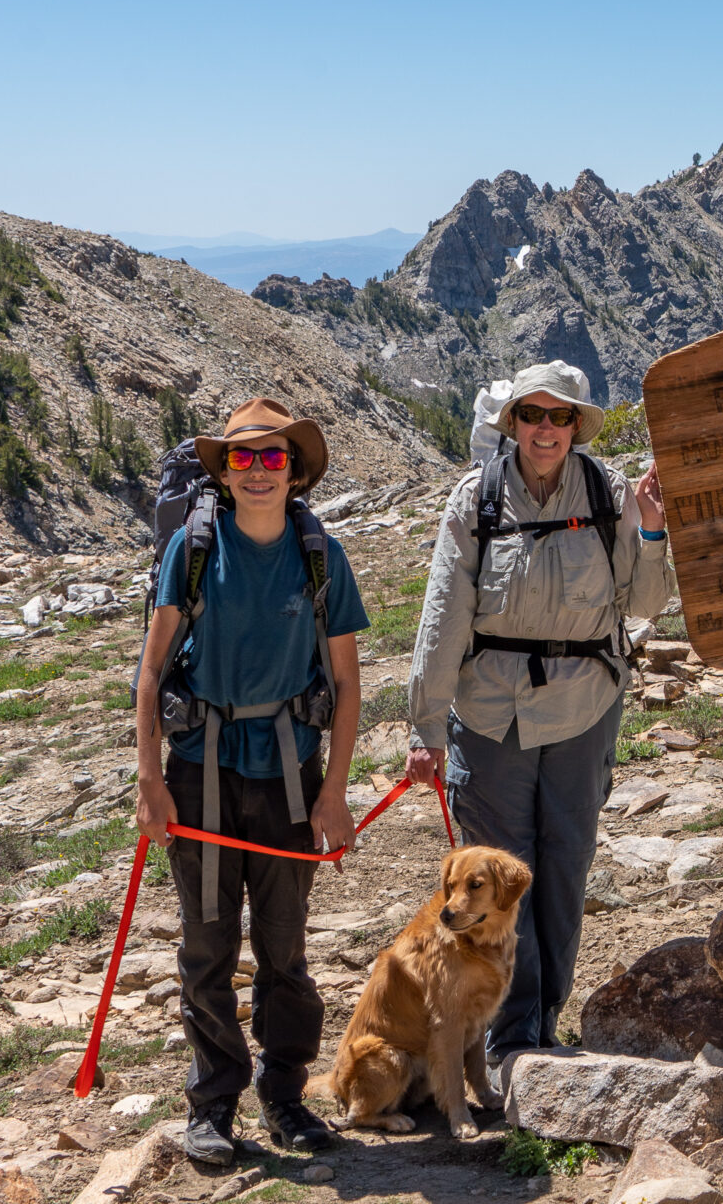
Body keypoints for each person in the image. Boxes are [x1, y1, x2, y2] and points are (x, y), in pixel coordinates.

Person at [406, 360, 675, 1070]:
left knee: (563, 868)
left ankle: (541, 1020)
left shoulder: (611, 494)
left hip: (585, 708)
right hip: (491, 716)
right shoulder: (477, 499)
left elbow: (645, 605)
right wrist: (426, 726)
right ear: (512, 423)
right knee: (492, 882)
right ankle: (508, 1033)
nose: (546, 430)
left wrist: (651, 530)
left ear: (578, 425)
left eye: (560, 417)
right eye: (532, 416)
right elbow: (443, 617)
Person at [133, 399, 368, 1165]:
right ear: (224, 471)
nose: (259, 471)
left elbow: (346, 682)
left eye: (273, 458)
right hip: (199, 772)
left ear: (295, 472)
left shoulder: (321, 556)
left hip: (289, 779)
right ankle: (214, 1104)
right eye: (243, 458)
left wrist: (334, 792)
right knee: (207, 946)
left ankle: (286, 1094)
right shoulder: (193, 551)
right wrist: (148, 779)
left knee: (283, 947)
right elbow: (151, 671)